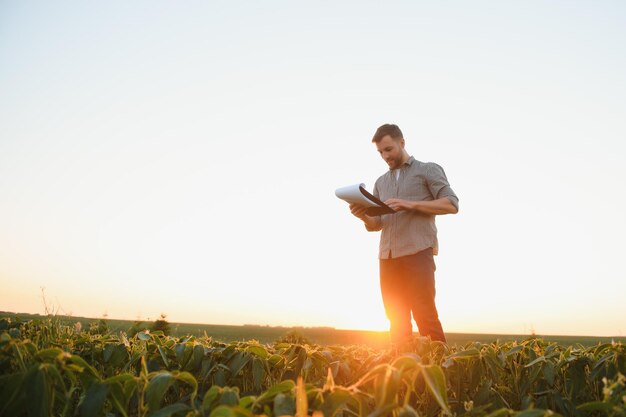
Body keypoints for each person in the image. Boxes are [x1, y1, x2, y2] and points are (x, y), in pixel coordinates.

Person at [349, 124, 458, 346]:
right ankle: (403, 375)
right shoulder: (380, 182)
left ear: (402, 142)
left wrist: (409, 204)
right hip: (387, 257)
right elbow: (377, 225)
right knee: (396, 322)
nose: (385, 156)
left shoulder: (428, 170)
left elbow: (451, 204)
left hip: (417, 252)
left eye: (388, 149)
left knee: (425, 316)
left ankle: (441, 374)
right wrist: (363, 216)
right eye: (380, 152)